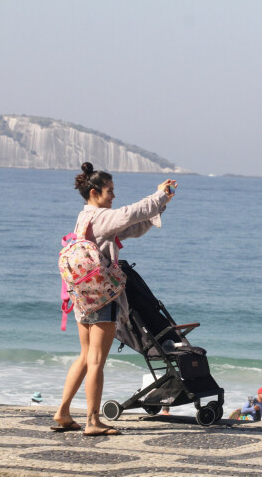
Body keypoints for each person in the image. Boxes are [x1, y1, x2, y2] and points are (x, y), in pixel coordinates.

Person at [52, 162, 177, 436]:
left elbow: (133, 226)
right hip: (102, 297)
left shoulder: (84, 217)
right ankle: (92, 422)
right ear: (95, 192)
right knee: (97, 360)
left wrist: (162, 203)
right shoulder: (101, 216)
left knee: (85, 356)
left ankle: (62, 411)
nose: (113, 196)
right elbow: (131, 213)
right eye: (110, 191)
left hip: (83, 297)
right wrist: (158, 195)